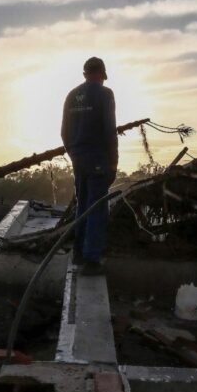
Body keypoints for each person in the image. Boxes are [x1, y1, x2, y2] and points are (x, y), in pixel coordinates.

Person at [60, 57, 117, 276]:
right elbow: (109, 131)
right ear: (101, 74)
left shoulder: (72, 95)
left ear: (85, 74)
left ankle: (78, 253)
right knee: (97, 208)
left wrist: (73, 154)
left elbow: (64, 132)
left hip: (79, 159)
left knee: (82, 206)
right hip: (98, 160)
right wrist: (113, 162)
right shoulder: (105, 94)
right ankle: (92, 260)